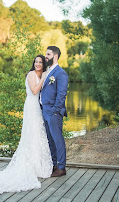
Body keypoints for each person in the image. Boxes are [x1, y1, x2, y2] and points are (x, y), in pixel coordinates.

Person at [0, 55, 53, 194]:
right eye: (36, 62)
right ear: (33, 63)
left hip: (37, 107)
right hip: (31, 106)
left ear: (43, 64)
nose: (38, 64)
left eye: (40, 62)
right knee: (32, 133)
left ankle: (38, 165)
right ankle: (30, 165)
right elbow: (34, 90)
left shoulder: (41, 74)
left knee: (37, 133)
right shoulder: (31, 74)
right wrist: (45, 78)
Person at [40, 46, 69, 177]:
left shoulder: (60, 73)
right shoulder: (47, 72)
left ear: (55, 56)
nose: (45, 57)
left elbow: (62, 95)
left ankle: (62, 167)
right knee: (50, 140)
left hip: (53, 112)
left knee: (58, 140)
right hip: (45, 111)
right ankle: (54, 165)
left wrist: (54, 111)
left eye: (48, 54)